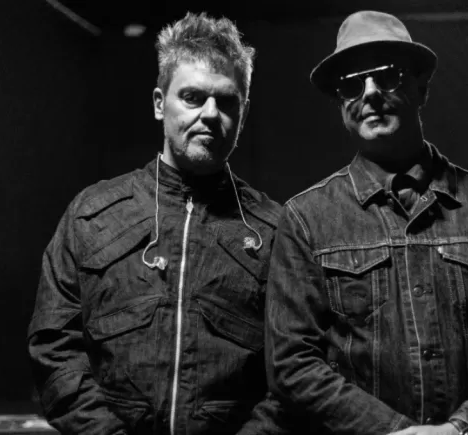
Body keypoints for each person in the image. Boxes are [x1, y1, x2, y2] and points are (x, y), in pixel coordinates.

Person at [264, 10, 468, 435]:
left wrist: (462, 429)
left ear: (422, 88)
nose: (370, 93)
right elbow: (291, 364)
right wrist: (391, 431)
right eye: (351, 84)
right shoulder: (305, 219)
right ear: (341, 105)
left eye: (387, 76)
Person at [28, 12, 286, 435]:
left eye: (226, 101)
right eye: (192, 97)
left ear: (244, 113)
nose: (210, 114)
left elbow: (293, 373)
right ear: (159, 103)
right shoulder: (91, 214)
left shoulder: (275, 232)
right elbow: (54, 349)